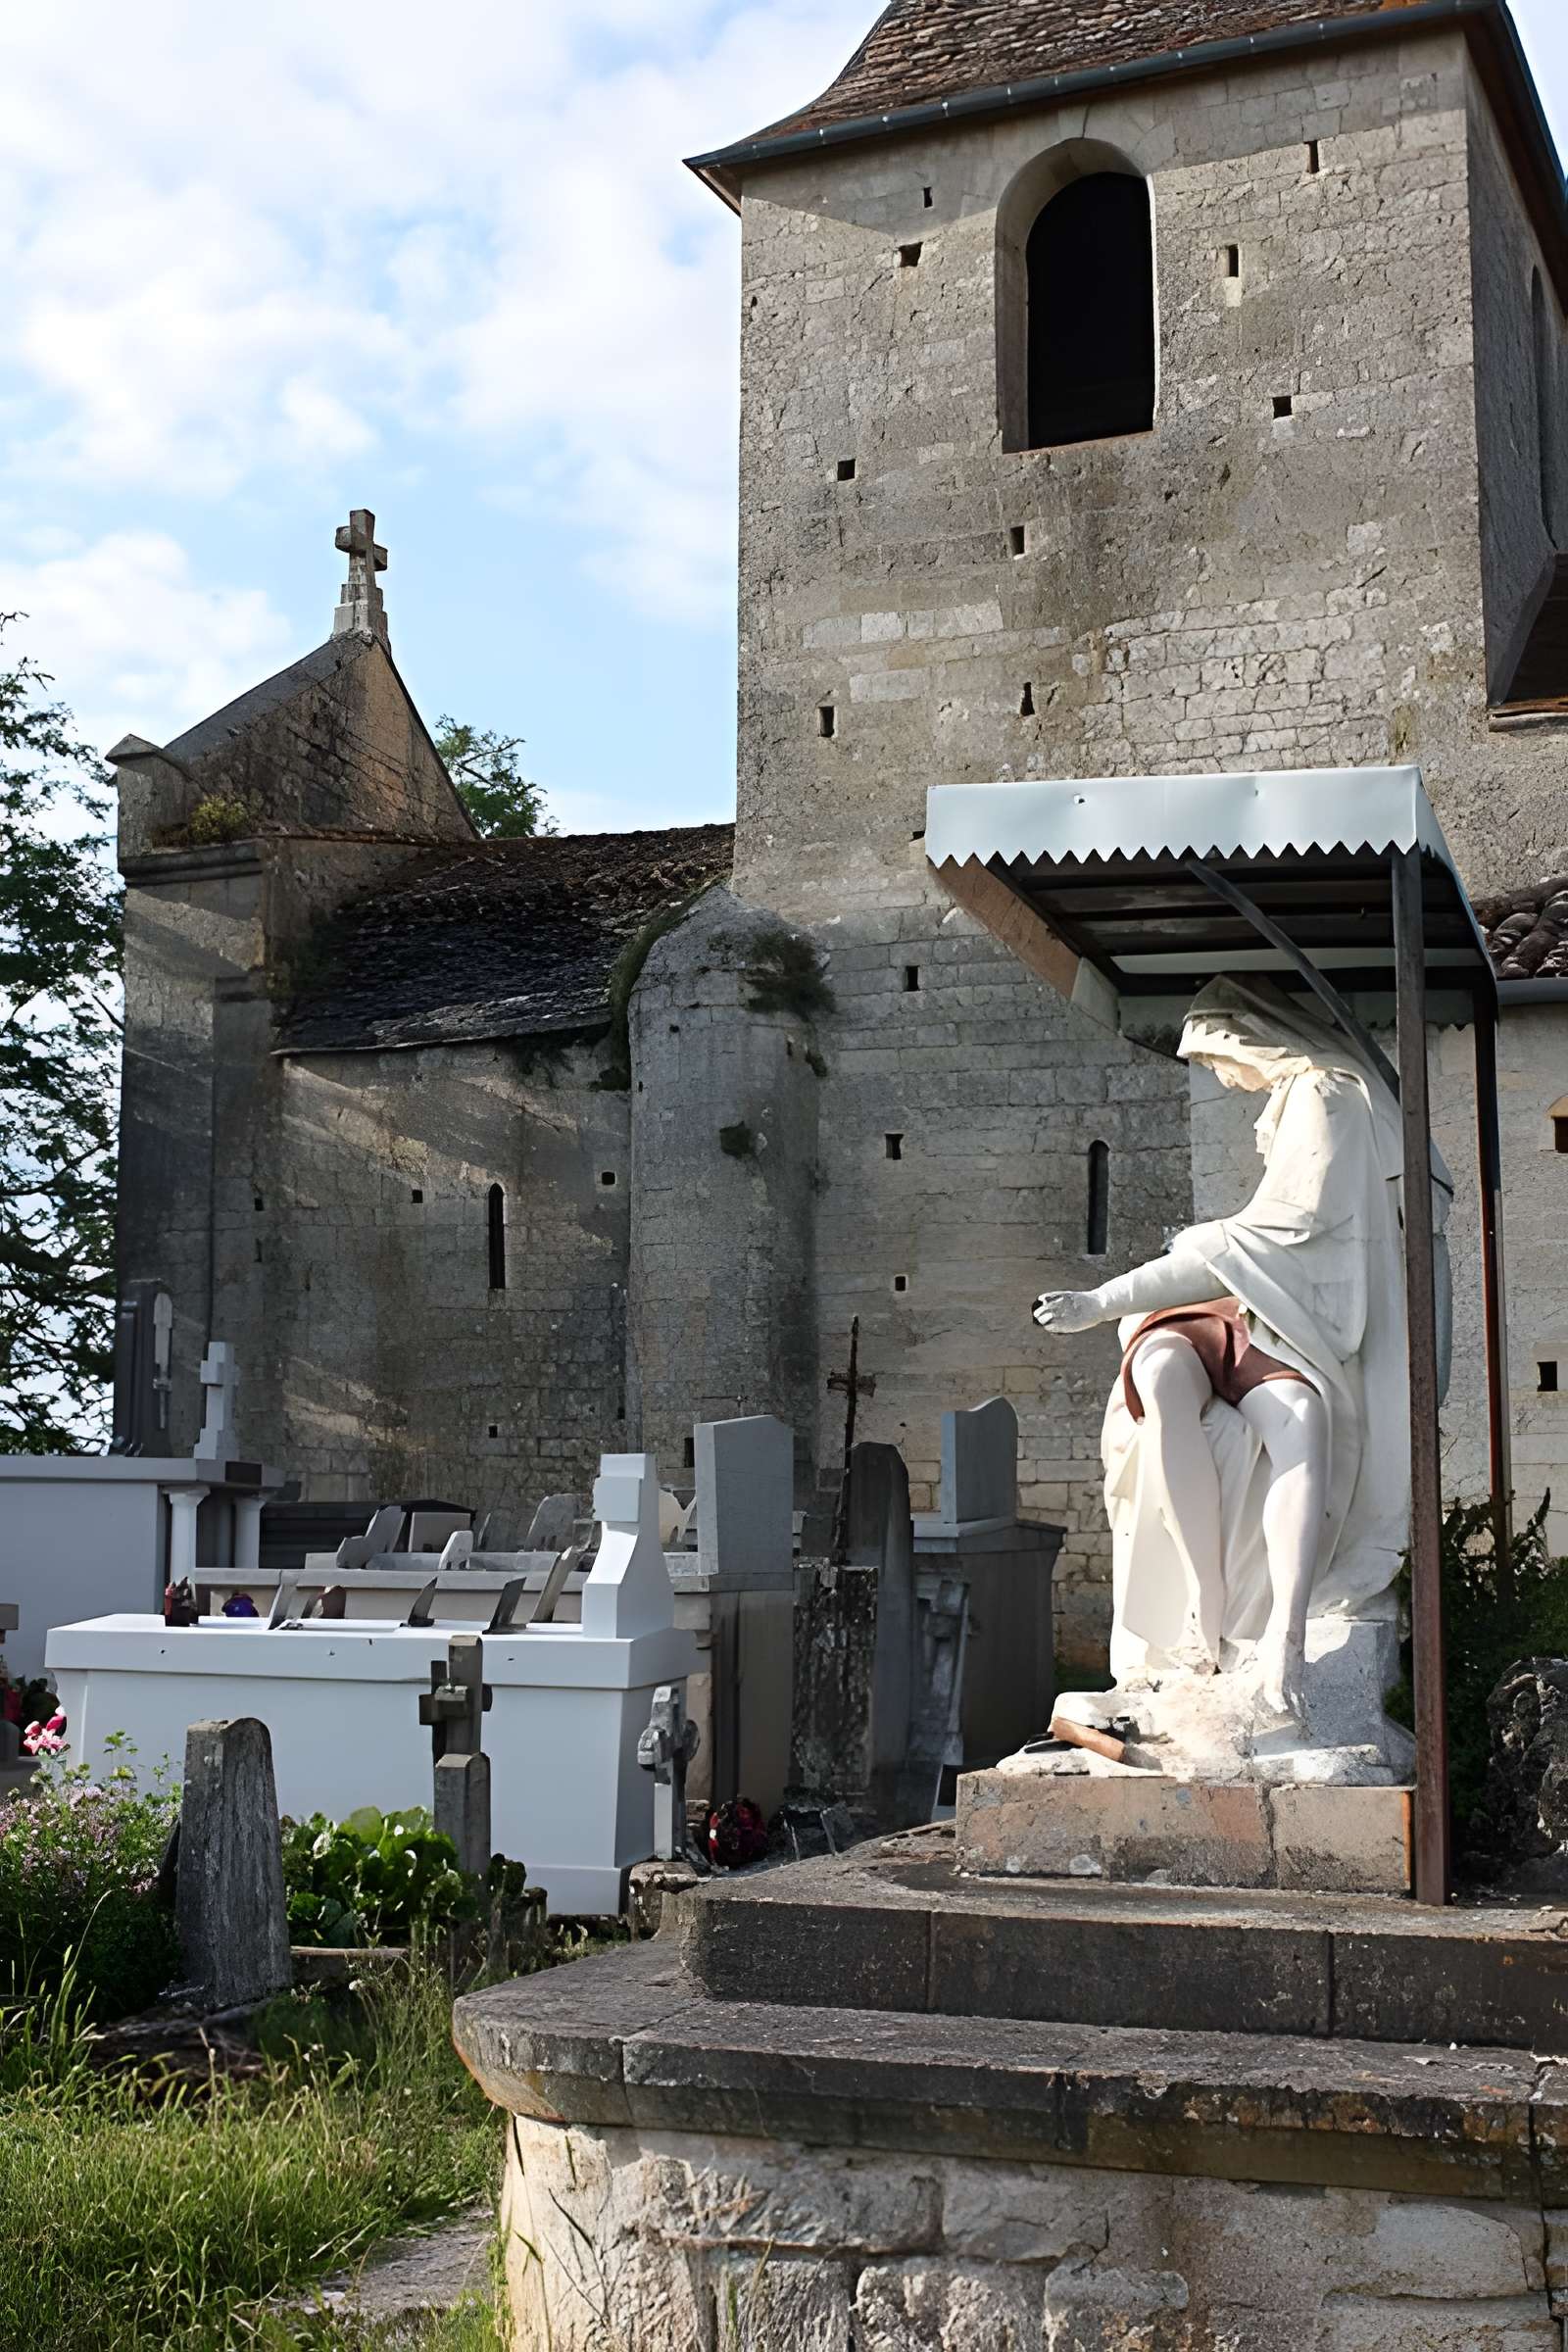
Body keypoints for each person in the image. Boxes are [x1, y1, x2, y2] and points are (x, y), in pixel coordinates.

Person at [1035, 976, 1451, 1725]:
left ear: (1247, 1033)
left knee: (1301, 1416)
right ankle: (1208, 1601)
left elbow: (1281, 1233)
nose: (1222, 1077)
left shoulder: (1325, 1096)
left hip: (1268, 1310)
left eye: (1218, 1057)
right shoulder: (1304, 1098)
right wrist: (1102, 1304)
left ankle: (1284, 1639)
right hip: (1213, 1310)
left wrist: (1132, 1286)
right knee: (1161, 1378)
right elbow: (1261, 1238)